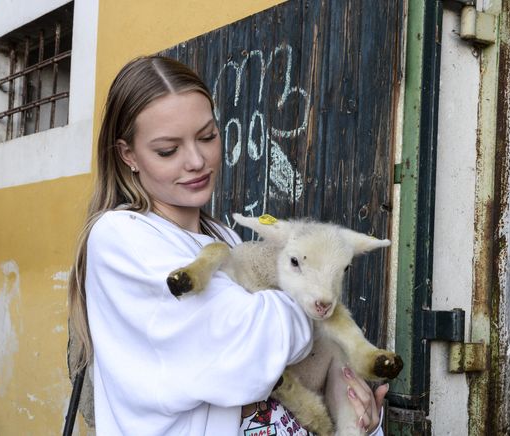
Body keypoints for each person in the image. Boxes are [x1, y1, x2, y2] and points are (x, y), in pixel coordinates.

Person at [68, 55, 387, 435]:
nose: (197, 160)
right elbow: (249, 343)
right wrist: (314, 308)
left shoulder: (224, 237)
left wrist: (353, 401)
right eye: (168, 150)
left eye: (207, 136)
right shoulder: (121, 235)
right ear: (128, 155)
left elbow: (286, 356)